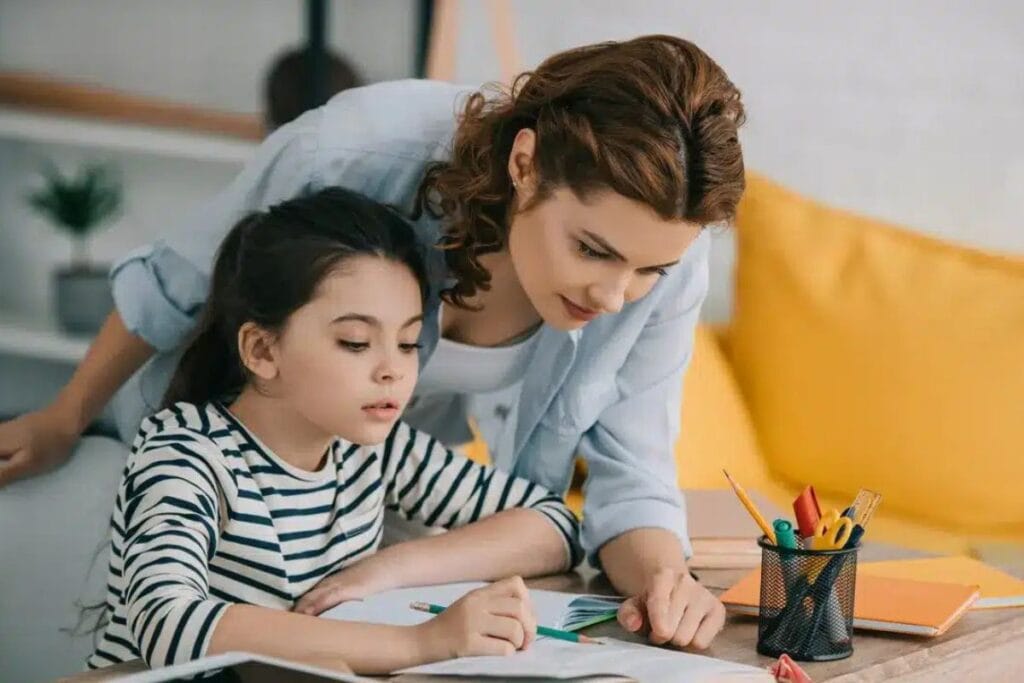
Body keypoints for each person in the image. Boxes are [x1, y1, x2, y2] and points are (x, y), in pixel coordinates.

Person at [0, 34, 746, 650]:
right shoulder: (356, 152)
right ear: (525, 165)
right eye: (592, 250)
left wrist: (663, 579)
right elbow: (177, 284)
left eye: (650, 269)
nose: (615, 297)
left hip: (349, 505)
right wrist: (64, 416)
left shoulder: (376, 444)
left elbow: (614, 478)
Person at [87, 188, 582, 674]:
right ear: (262, 351)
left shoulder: (374, 448)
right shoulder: (187, 449)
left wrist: (388, 569)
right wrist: (422, 642)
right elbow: (169, 625)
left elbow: (554, 523)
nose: (394, 370)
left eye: (409, 342)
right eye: (355, 342)